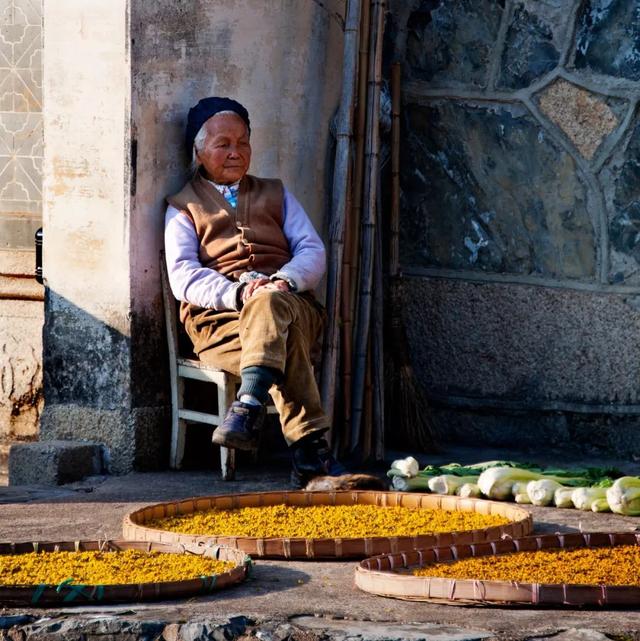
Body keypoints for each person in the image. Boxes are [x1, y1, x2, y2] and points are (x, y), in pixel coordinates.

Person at [164, 96, 346, 487]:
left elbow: (312, 249)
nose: (235, 152)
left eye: (242, 142)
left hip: (292, 303)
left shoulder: (276, 193)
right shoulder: (182, 207)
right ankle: (311, 457)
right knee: (283, 337)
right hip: (222, 325)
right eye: (223, 144)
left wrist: (285, 281)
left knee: (273, 305)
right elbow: (183, 276)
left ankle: (246, 403)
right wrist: (237, 294)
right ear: (199, 152)